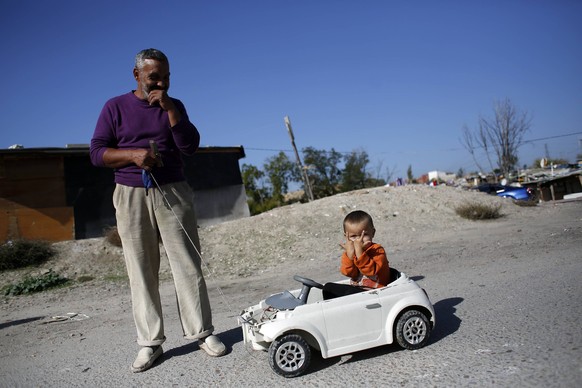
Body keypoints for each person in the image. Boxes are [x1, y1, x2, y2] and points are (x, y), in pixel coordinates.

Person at [90, 48, 226, 373]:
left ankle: (202, 333)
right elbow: (97, 153)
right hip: (130, 192)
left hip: (173, 190)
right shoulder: (114, 107)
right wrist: (132, 156)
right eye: (154, 78)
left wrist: (170, 110)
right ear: (136, 75)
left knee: (187, 263)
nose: (161, 84)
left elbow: (190, 146)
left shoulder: (173, 105)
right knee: (141, 269)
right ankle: (150, 344)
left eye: (166, 78)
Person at [323, 210, 390, 299]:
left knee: (348, 293)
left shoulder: (377, 250)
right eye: (354, 236)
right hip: (358, 289)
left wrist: (359, 252)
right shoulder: (350, 252)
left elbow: (371, 271)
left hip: (375, 293)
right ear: (346, 237)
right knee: (328, 287)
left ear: (373, 233)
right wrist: (349, 257)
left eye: (364, 234)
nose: (359, 240)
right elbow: (349, 273)